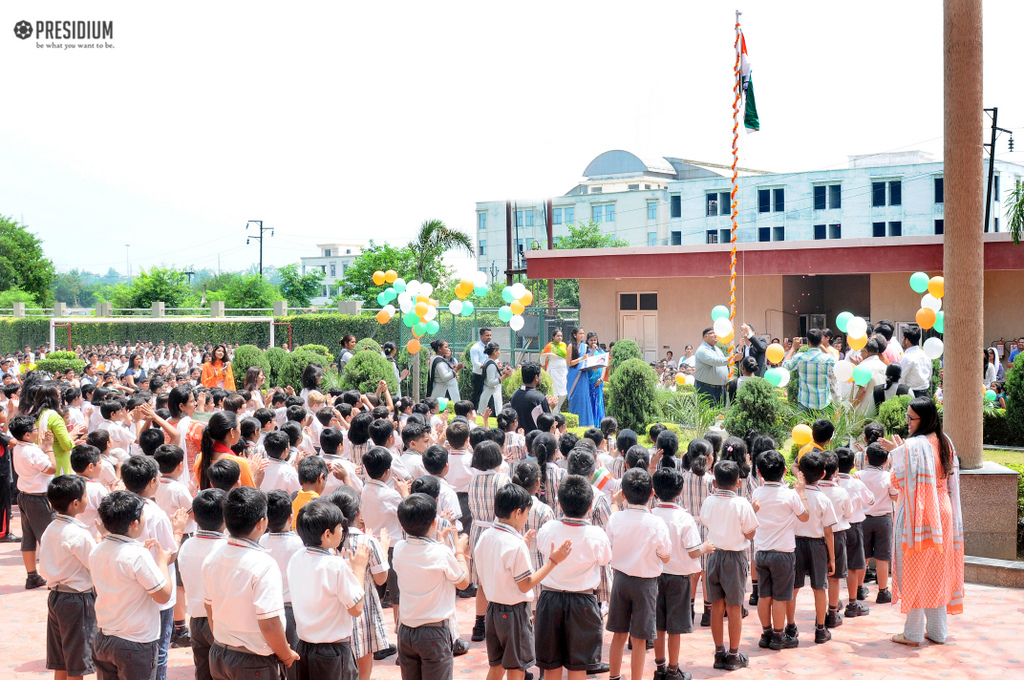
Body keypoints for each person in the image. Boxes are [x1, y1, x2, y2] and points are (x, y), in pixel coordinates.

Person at [879, 397, 964, 647]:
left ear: (924, 419)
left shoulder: (913, 446)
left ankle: (913, 633)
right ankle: (938, 631)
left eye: (911, 418)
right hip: (943, 512)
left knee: (913, 569)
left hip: (919, 513)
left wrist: (897, 455)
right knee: (937, 571)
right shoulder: (945, 441)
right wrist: (900, 451)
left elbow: (896, 483)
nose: (907, 422)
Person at [475, 484, 572, 680]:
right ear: (518, 512)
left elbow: (497, 567)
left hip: (493, 610)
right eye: (527, 513)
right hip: (514, 613)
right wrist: (553, 561)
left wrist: (523, 546)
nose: (527, 517)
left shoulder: (486, 536)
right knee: (516, 668)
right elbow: (526, 584)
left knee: (496, 666)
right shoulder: (515, 543)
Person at [204, 486, 300, 678]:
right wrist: (286, 654)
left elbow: (210, 608)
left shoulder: (212, 558)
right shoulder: (263, 564)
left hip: (221, 653)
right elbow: (269, 624)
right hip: (253, 661)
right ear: (261, 523)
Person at [90, 491, 174, 680]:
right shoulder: (137, 555)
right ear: (134, 523)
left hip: (105, 638)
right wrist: (162, 561)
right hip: (135, 643)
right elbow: (164, 595)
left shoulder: (97, 550)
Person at [391, 493, 472, 680]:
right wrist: (459, 551)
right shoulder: (441, 553)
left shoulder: (400, 549)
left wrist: (441, 543)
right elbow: (463, 581)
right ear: (434, 522)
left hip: (406, 630)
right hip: (434, 632)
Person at [288, 500, 367, 680]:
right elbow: (356, 608)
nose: (342, 530)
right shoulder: (335, 565)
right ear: (327, 534)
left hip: (303, 646)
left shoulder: (296, 558)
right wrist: (359, 569)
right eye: (339, 527)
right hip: (332, 651)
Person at [605, 468, 672, 680]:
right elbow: (666, 555)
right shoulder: (656, 523)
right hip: (646, 584)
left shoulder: (616, 519)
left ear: (623, 493)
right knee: (640, 638)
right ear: (652, 493)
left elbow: (609, 546)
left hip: (621, 580)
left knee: (618, 633)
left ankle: (614, 676)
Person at [700, 461, 759, 671]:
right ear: (739, 482)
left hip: (714, 555)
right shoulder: (742, 504)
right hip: (734, 558)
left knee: (716, 607)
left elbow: (706, 522)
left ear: (714, 482)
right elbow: (750, 533)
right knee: (735, 608)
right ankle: (734, 655)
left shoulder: (708, 502)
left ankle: (719, 653)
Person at [652, 468, 711, 680]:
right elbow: (694, 550)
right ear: (680, 492)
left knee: (658, 625)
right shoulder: (684, 518)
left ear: (655, 491)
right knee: (674, 628)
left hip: (655, 577)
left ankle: (660, 668)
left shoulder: (651, 514)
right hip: (679, 578)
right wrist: (705, 547)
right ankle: (674, 670)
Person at [39, 474, 99, 680]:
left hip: (56, 596)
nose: (86, 499)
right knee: (76, 662)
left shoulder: (50, 529)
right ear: (75, 503)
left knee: (61, 660)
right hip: (77, 599)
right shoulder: (79, 534)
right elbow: (96, 564)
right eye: (84, 496)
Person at [751, 450, 808, 651]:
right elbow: (804, 517)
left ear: (759, 472)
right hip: (783, 553)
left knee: (764, 595)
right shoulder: (790, 494)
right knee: (781, 597)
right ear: (785, 470)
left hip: (762, 552)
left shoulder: (756, 493)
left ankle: (765, 634)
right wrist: (801, 493)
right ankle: (778, 636)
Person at [177, 489, 228, 680]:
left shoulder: (187, 546)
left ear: (195, 518)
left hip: (197, 620)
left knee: (203, 672)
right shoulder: (226, 549)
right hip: (220, 621)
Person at [792, 451, 838, 645]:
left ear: (800, 472)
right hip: (818, 545)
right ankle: (820, 629)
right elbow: (829, 532)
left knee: (793, 588)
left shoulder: (793, 494)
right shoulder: (823, 499)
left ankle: (790, 627)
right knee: (820, 588)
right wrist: (832, 558)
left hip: (794, 543)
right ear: (822, 474)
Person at [11, 415, 56, 589]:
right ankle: (54, 578)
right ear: (27, 434)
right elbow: (51, 468)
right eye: (34, 429)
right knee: (48, 539)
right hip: (38, 498)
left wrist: (43, 448)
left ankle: (32, 576)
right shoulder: (31, 450)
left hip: (24, 495)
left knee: (29, 537)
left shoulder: (19, 447)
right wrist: (49, 449)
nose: (37, 431)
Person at [782, 329, 836, 411]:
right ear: (821, 341)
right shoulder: (828, 359)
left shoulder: (800, 357)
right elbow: (836, 363)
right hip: (823, 403)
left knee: (804, 424)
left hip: (805, 402)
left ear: (808, 342)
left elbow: (785, 366)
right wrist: (823, 348)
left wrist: (793, 348)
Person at [510, 362, 551, 434]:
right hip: (535, 439)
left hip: (518, 437)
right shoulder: (539, 398)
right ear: (536, 378)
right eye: (540, 375)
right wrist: (550, 406)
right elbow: (548, 424)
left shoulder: (514, 395)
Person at [851, 337, 888, 416]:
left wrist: (852, 408)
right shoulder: (884, 366)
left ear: (866, 351)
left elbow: (862, 390)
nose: (860, 354)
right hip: (881, 410)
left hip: (865, 411)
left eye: (861, 352)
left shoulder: (863, 366)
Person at [565, 328, 594, 425]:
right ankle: (574, 422)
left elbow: (587, 360)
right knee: (575, 398)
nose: (582, 335)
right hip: (574, 374)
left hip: (583, 375)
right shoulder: (570, 346)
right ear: (574, 335)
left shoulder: (585, 346)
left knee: (584, 398)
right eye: (580, 333)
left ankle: (585, 423)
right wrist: (581, 358)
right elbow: (569, 363)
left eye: (583, 333)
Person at [694, 327, 729, 404]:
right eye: (712, 333)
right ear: (705, 336)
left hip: (720, 388)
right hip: (707, 388)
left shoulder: (717, 349)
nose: (715, 335)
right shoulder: (703, 349)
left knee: (720, 414)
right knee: (708, 413)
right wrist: (731, 359)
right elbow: (714, 361)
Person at [899, 326, 933, 398]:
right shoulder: (926, 355)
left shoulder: (907, 357)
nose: (901, 340)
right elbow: (929, 376)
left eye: (902, 337)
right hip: (926, 394)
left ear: (907, 340)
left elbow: (900, 378)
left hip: (912, 394)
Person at [478, 342, 511, 415]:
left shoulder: (489, 362)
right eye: (499, 350)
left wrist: (503, 373)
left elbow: (493, 377)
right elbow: (490, 383)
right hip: (491, 398)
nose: (500, 352)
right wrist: (504, 377)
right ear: (495, 352)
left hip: (491, 395)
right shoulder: (491, 365)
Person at [541, 329, 569, 413]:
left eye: (561, 336)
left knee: (563, 392)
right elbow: (542, 356)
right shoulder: (550, 346)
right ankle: (554, 410)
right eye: (558, 336)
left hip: (563, 371)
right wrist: (543, 368)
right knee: (554, 391)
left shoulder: (564, 345)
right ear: (553, 337)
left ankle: (558, 408)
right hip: (553, 370)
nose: (560, 337)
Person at [585, 333, 607, 425]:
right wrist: (593, 351)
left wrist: (601, 379)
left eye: (595, 340)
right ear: (587, 341)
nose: (593, 342)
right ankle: (591, 423)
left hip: (599, 382)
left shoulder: (601, 351)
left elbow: (604, 366)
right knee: (590, 402)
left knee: (598, 403)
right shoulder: (586, 352)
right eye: (591, 340)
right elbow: (586, 362)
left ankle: (599, 423)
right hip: (589, 382)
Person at [470, 328, 493, 408]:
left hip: (489, 375)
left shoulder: (491, 346)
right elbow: (475, 363)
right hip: (478, 375)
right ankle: (473, 410)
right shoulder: (475, 347)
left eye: (490, 335)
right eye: (487, 335)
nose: (489, 337)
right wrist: (486, 366)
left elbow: (495, 358)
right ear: (481, 336)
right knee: (477, 395)